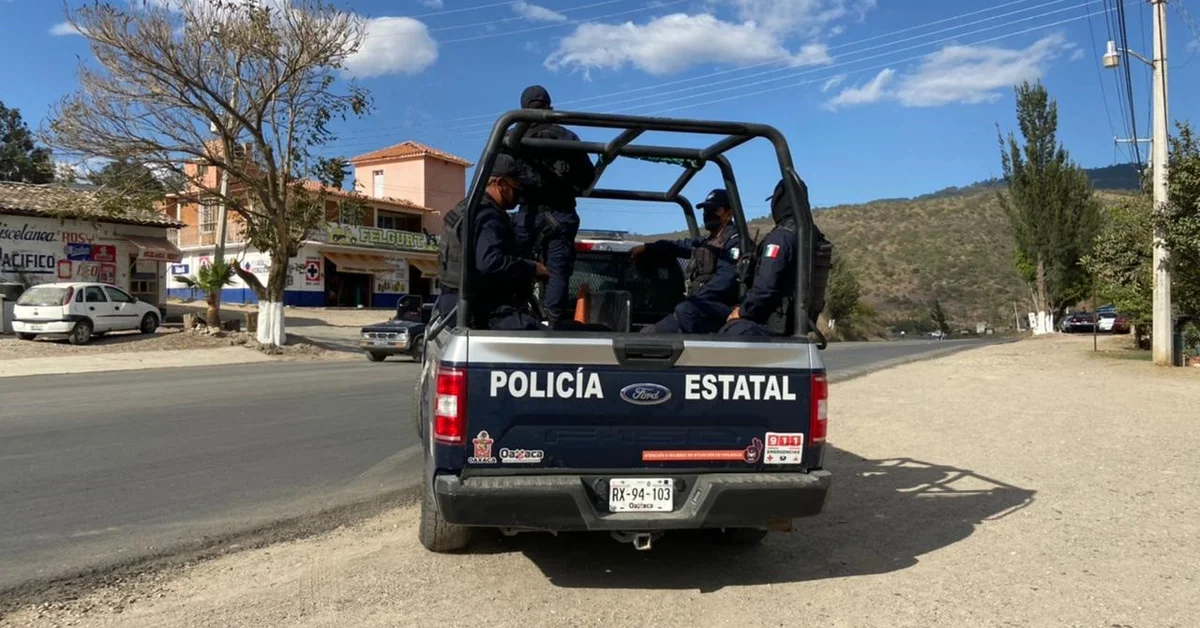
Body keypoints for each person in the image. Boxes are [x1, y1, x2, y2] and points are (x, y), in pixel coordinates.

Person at [508, 85, 597, 325]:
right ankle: (551, 321)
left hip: (528, 214)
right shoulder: (567, 137)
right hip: (561, 212)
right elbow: (587, 177)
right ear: (550, 107)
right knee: (558, 272)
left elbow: (503, 174)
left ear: (523, 108)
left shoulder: (512, 137)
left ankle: (513, 314)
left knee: (516, 266)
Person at [435, 154, 549, 330]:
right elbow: (489, 261)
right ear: (501, 184)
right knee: (547, 340)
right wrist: (533, 268)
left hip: (454, 305)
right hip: (481, 311)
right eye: (516, 187)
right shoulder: (489, 216)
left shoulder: (467, 207)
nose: (519, 196)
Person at [722, 177, 832, 337]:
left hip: (773, 322)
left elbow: (765, 287)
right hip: (793, 320)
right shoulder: (810, 234)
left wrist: (743, 311)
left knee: (725, 331)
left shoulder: (782, 237)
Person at [632, 189, 743, 334]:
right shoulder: (706, 242)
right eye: (705, 209)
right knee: (649, 334)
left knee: (684, 310)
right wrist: (647, 247)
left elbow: (724, 280)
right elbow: (677, 246)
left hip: (720, 307)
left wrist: (697, 298)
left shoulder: (735, 242)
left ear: (729, 213)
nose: (708, 213)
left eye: (714, 209)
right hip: (699, 306)